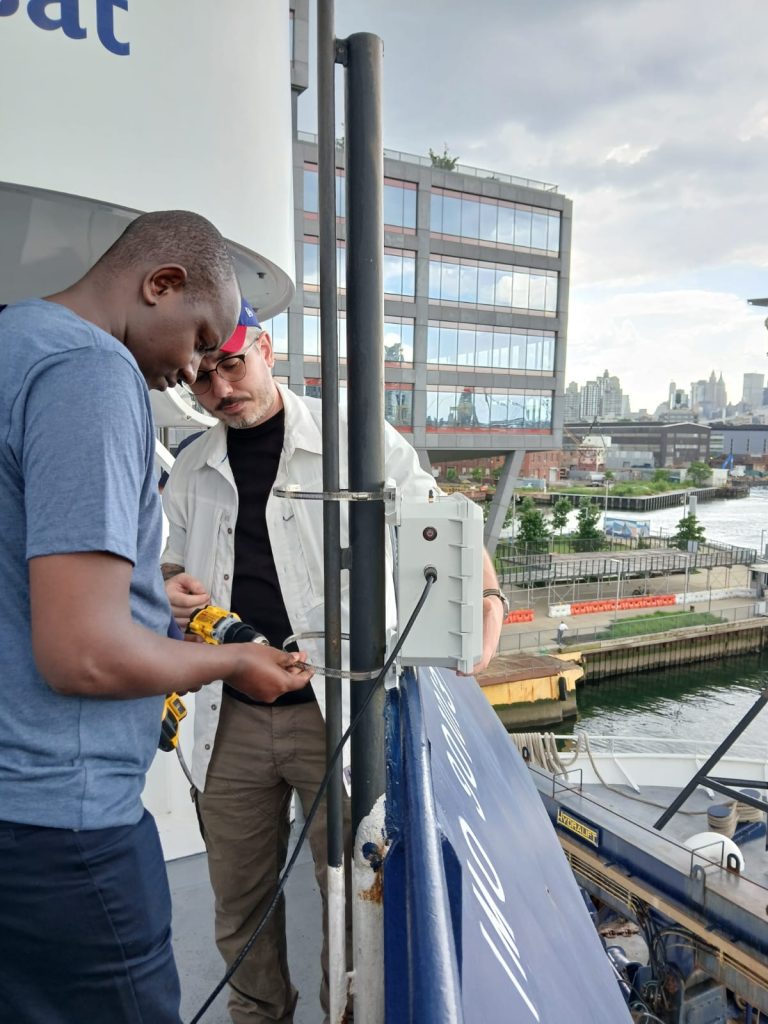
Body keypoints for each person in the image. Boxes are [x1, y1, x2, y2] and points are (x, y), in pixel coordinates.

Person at [0, 212, 312, 1024]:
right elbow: (84, 654)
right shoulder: (90, 371)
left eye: (223, 355)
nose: (196, 371)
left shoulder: (15, 342)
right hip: (63, 821)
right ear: (161, 284)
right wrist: (233, 660)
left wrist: (143, 595)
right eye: (201, 341)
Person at [161, 300, 507, 1024]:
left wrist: (488, 596)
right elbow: (168, 561)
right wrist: (169, 586)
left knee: (350, 900)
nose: (221, 389)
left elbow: (439, 516)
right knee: (238, 904)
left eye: (232, 365)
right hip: (230, 718)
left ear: (265, 349)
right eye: (202, 378)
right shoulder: (191, 467)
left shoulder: (353, 440)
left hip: (338, 711)